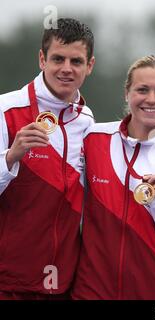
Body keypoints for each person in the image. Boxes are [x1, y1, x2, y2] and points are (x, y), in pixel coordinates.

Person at [71, 55, 155, 300]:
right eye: (142, 89)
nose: (151, 99)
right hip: (92, 292)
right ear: (127, 93)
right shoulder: (94, 139)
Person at [0, 18, 95, 299]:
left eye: (76, 61)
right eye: (58, 59)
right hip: (7, 282)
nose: (66, 69)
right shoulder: (6, 110)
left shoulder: (87, 121)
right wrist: (10, 157)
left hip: (62, 283)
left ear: (90, 65)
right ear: (42, 59)